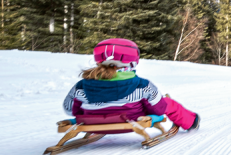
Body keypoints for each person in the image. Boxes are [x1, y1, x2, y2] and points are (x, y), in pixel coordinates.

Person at [63, 38, 200, 131]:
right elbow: (158, 110)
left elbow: (69, 109)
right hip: (132, 120)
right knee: (167, 103)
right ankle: (191, 122)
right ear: (133, 60)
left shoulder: (81, 86)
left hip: (91, 121)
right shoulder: (142, 85)